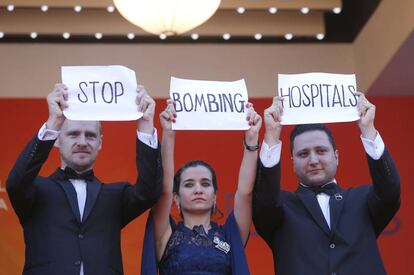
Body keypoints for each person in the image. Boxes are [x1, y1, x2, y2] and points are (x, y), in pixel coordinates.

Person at [6, 84, 162, 275]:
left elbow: (150, 192)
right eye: (73, 134)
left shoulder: (115, 196)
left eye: (90, 135)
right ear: (56, 139)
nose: (82, 142)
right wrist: (53, 121)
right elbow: (15, 183)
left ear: (100, 143)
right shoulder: (35, 190)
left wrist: (146, 125)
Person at [253, 93, 401, 275]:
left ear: (336, 156)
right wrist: (271, 136)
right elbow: (264, 200)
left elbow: (390, 191)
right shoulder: (281, 207)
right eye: (303, 154)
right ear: (292, 161)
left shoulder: (362, 201)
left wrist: (368, 130)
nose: (313, 160)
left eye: (321, 151)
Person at [141, 100, 261, 275]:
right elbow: (164, 190)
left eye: (205, 184)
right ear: (176, 198)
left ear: (214, 196)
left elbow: (245, 193)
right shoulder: (166, 235)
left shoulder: (229, 235)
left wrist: (252, 138)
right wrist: (168, 133)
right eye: (189, 184)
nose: (198, 189)